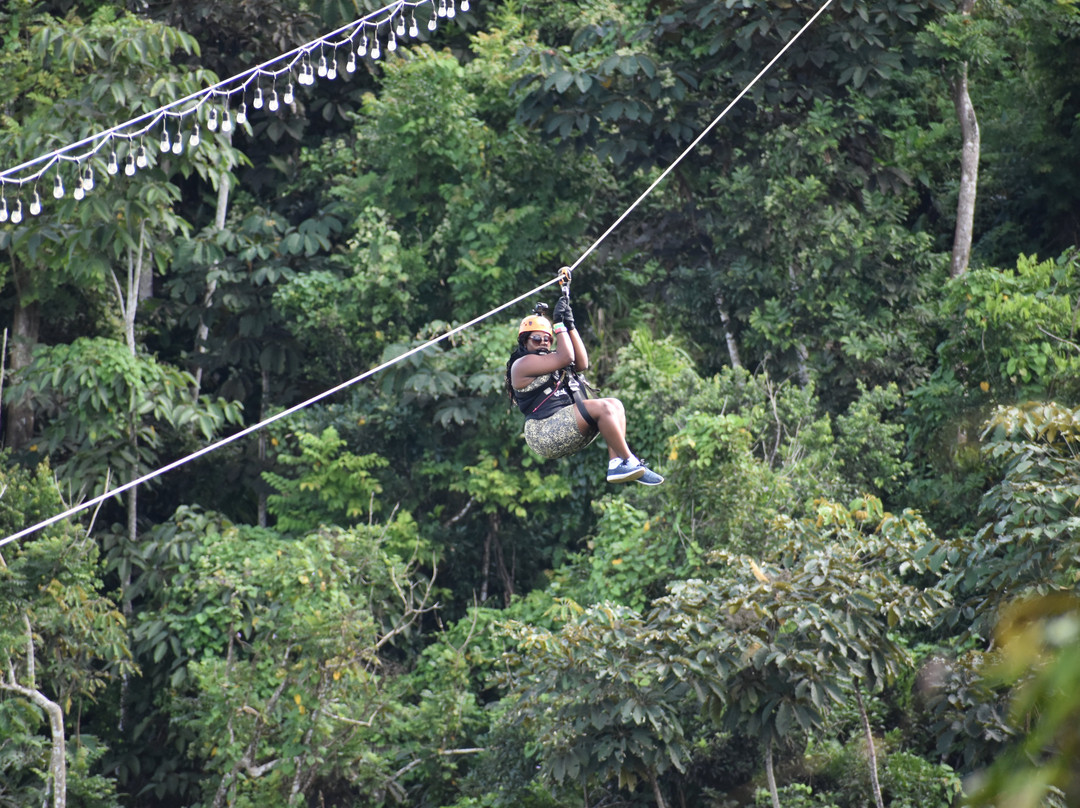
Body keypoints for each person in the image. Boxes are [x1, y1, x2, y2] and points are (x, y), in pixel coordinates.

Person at [505, 296, 664, 485]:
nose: (543, 343)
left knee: (616, 405)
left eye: (548, 339)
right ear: (525, 342)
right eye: (537, 339)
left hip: (564, 424)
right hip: (543, 431)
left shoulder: (551, 361)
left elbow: (581, 363)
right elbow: (566, 357)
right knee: (603, 407)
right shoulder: (522, 364)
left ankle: (617, 462)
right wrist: (558, 325)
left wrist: (570, 326)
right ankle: (631, 460)